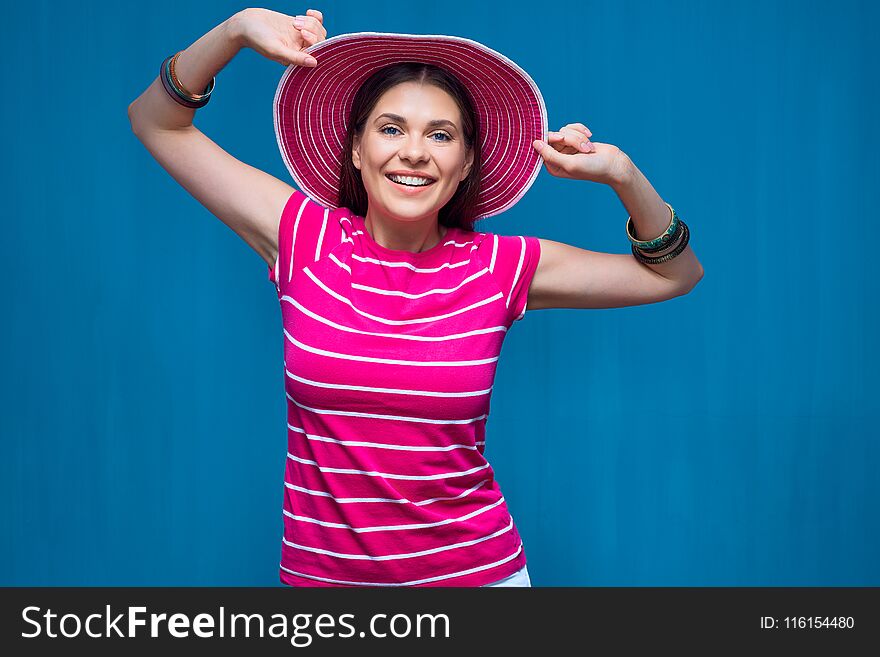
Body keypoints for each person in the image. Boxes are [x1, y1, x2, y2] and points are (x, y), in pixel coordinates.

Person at [128, 7, 704, 588]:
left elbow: (673, 275)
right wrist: (235, 29)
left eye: (440, 134)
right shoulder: (303, 237)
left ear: (464, 163)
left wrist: (622, 175)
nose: (414, 152)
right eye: (390, 128)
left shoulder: (501, 267)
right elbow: (157, 121)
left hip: (477, 578)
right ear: (356, 149)